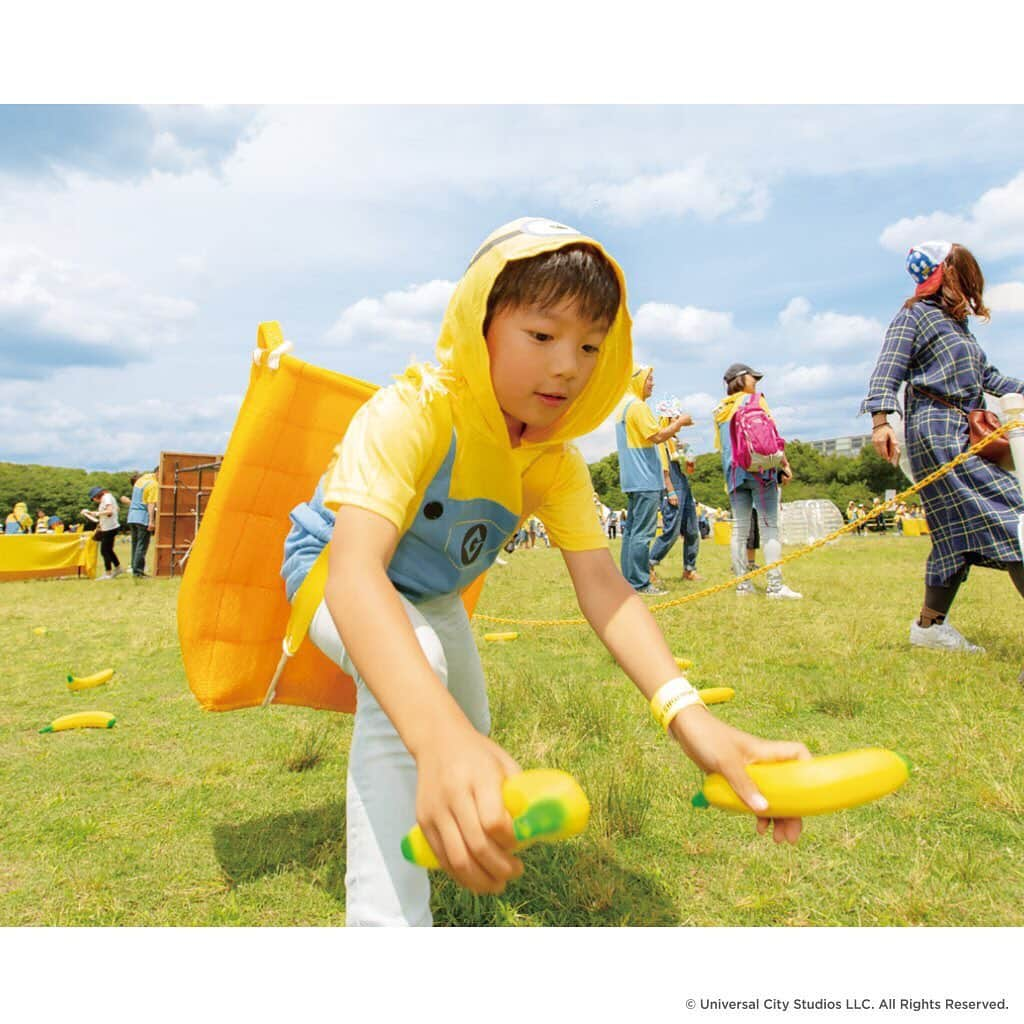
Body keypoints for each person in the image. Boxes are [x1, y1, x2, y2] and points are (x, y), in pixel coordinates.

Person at [278, 218, 808, 927]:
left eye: (590, 346)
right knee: (421, 694)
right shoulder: (412, 410)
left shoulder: (555, 463)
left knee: (471, 722)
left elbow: (606, 589)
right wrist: (435, 741)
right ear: (480, 325)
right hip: (331, 572)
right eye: (542, 335)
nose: (569, 365)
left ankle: (463, 827)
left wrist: (692, 720)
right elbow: (354, 576)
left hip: (432, 594)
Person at [863, 241, 1024, 653]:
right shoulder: (914, 316)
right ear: (945, 272)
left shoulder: (956, 326)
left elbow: (990, 377)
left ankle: (929, 628)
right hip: (937, 433)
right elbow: (888, 366)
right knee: (1010, 516)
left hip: (967, 431)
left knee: (954, 538)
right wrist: (881, 420)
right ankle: (930, 628)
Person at [713, 363, 802, 599]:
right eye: (753, 378)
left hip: (734, 475)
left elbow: (722, 447)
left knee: (739, 531)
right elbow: (770, 438)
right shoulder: (755, 401)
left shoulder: (720, 409)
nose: (756, 383)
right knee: (770, 527)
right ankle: (775, 586)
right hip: (759, 471)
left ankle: (743, 585)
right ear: (741, 379)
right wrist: (784, 465)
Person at [614, 365, 692, 594]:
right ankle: (639, 582)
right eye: (650, 378)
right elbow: (657, 436)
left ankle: (629, 580)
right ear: (638, 380)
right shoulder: (638, 407)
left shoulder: (623, 407)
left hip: (632, 477)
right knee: (643, 533)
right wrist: (679, 423)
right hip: (645, 478)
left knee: (631, 532)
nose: (653, 383)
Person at [648, 419, 703, 582]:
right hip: (672, 487)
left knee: (692, 530)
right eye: (674, 418)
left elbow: (687, 469)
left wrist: (689, 459)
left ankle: (689, 569)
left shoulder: (675, 441)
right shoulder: (661, 440)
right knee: (672, 531)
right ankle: (649, 564)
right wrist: (670, 491)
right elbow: (662, 469)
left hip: (684, 485)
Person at [122, 469, 159, 576]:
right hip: (142, 517)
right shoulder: (153, 484)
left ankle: (134, 568)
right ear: (159, 473)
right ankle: (138, 572)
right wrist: (151, 521)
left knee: (135, 544)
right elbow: (151, 504)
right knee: (142, 545)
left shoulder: (142, 480)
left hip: (132, 517)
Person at [81, 486, 123, 579]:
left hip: (109, 528)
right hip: (109, 526)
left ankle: (108, 573)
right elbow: (116, 509)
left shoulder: (106, 498)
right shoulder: (109, 497)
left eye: (94, 498)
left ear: (97, 495)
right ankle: (118, 568)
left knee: (104, 551)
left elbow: (109, 511)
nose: (95, 500)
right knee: (108, 550)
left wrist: (95, 513)